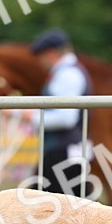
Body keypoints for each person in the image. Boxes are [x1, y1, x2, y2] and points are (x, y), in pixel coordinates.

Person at [30, 28, 93, 196]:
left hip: (62, 154)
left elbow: (66, 118)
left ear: (51, 53)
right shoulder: (67, 73)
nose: (40, 62)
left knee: (39, 205)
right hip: (63, 153)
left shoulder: (68, 75)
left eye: (41, 57)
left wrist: (30, 117)